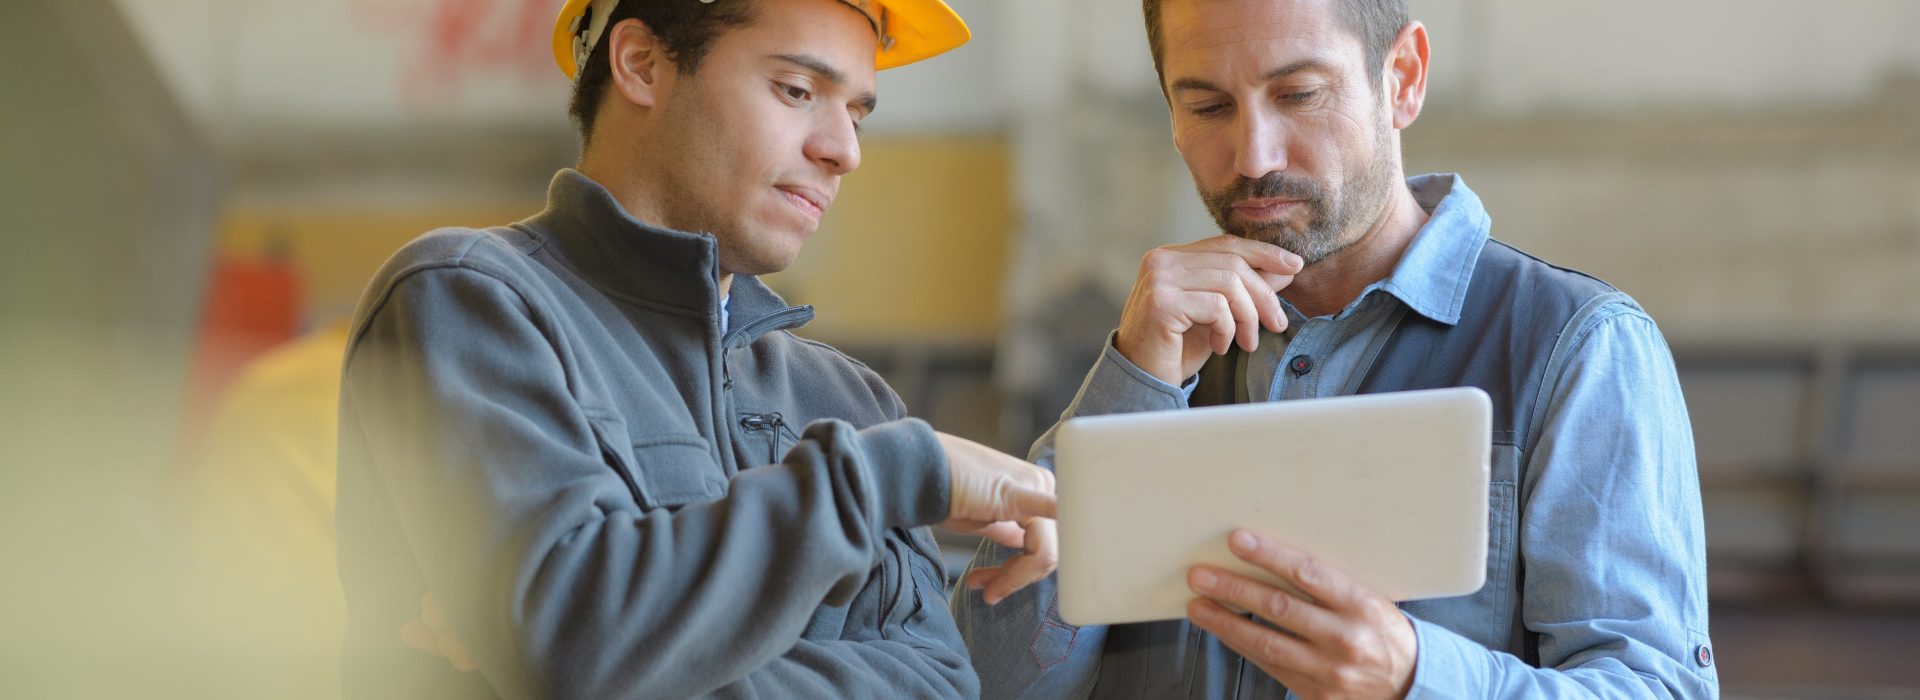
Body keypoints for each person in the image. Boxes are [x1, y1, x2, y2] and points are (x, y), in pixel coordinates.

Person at [956, 0, 1717, 697]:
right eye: (1208, 105)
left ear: (1404, 79)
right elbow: (980, 681)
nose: (1253, 156)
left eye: (1298, 94)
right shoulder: (1157, 355)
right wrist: (1130, 385)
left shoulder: (1576, 348)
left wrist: (1415, 677)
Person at [336, 1, 1058, 697]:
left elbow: (939, 686)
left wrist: (641, 665)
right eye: (798, 90)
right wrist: (877, 478)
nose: (844, 150)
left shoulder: (850, 400)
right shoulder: (471, 303)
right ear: (643, 64)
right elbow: (578, 643)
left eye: (858, 112)